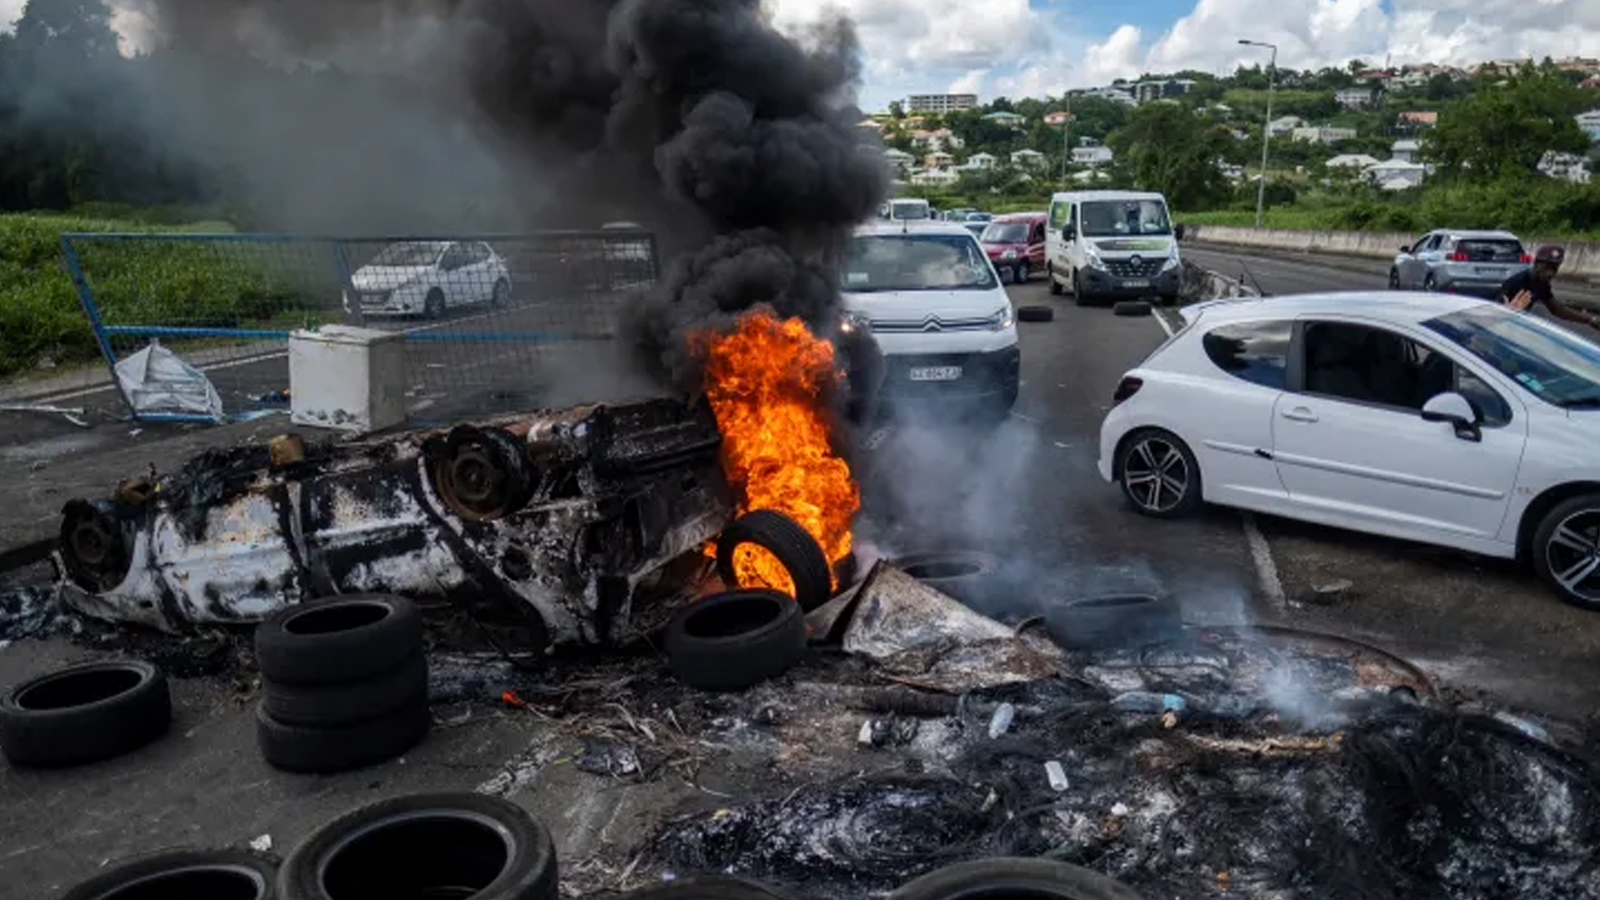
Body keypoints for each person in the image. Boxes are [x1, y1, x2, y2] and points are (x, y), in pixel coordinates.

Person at [1496, 244, 1600, 331]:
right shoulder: (1516, 282)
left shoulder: (1542, 284)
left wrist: (1590, 319)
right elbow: (1495, 312)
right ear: (1536, 264)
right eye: (1547, 267)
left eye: (1555, 268)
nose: (1551, 273)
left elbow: (1557, 310)